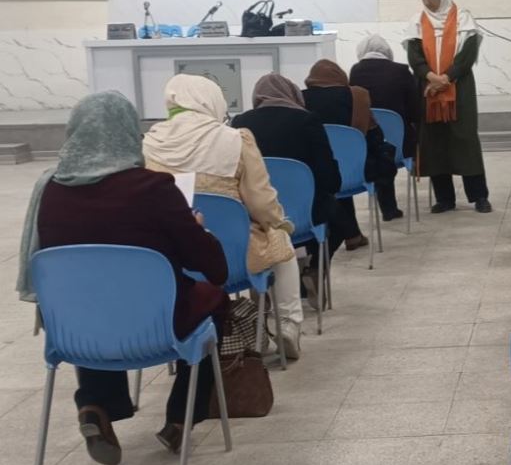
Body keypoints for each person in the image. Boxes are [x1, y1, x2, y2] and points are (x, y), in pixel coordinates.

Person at [18, 93, 231, 465]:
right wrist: (198, 229)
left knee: (92, 298)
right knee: (213, 299)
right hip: (154, 324)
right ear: (131, 132)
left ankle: (95, 404)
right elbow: (215, 269)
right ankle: (180, 417)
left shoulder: (50, 190)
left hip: (73, 328)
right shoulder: (154, 189)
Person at [144, 75, 304, 368]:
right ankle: (288, 325)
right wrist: (277, 222)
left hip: (176, 257)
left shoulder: (151, 142)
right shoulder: (235, 139)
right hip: (235, 256)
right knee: (280, 241)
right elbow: (260, 201)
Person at [232, 74, 342, 304]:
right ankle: (314, 268)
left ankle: (262, 281)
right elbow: (329, 176)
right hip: (305, 214)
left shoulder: (240, 123)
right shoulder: (307, 120)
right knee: (338, 216)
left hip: (258, 217)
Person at [406, 0, 491, 214]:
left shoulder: (463, 19)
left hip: (459, 89)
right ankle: (445, 198)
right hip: (429, 90)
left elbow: (467, 55)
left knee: (465, 140)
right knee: (435, 143)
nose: (427, 2)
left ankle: (479, 196)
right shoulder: (417, 22)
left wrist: (446, 77)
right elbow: (414, 56)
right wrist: (431, 77)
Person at [303, 59, 396, 249]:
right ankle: (352, 234)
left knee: (330, 171)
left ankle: (349, 234)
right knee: (342, 167)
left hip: (320, 175)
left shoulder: (300, 98)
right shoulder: (357, 96)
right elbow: (375, 136)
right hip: (357, 170)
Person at [350, 33, 420, 221]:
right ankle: (391, 207)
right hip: (401, 144)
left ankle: (387, 207)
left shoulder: (356, 71)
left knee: (378, 147)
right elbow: (415, 110)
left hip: (370, 145)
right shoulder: (401, 71)